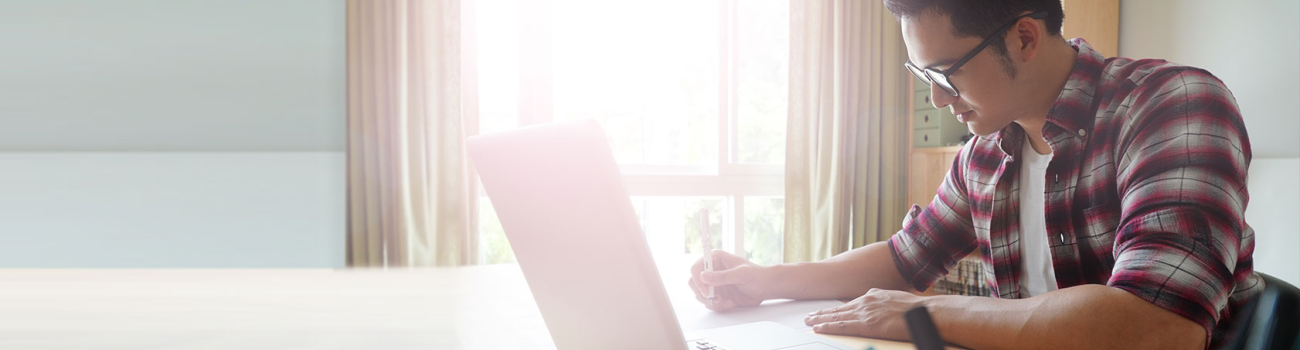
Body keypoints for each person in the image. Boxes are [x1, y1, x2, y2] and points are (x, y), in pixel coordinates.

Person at [687, 1, 1261, 349]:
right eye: (921, 73)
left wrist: (920, 313)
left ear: (1025, 37)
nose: (936, 100)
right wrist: (764, 280)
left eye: (945, 72)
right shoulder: (986, 152)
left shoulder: (1174, 105)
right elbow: (904, 257)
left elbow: (1157, 329)